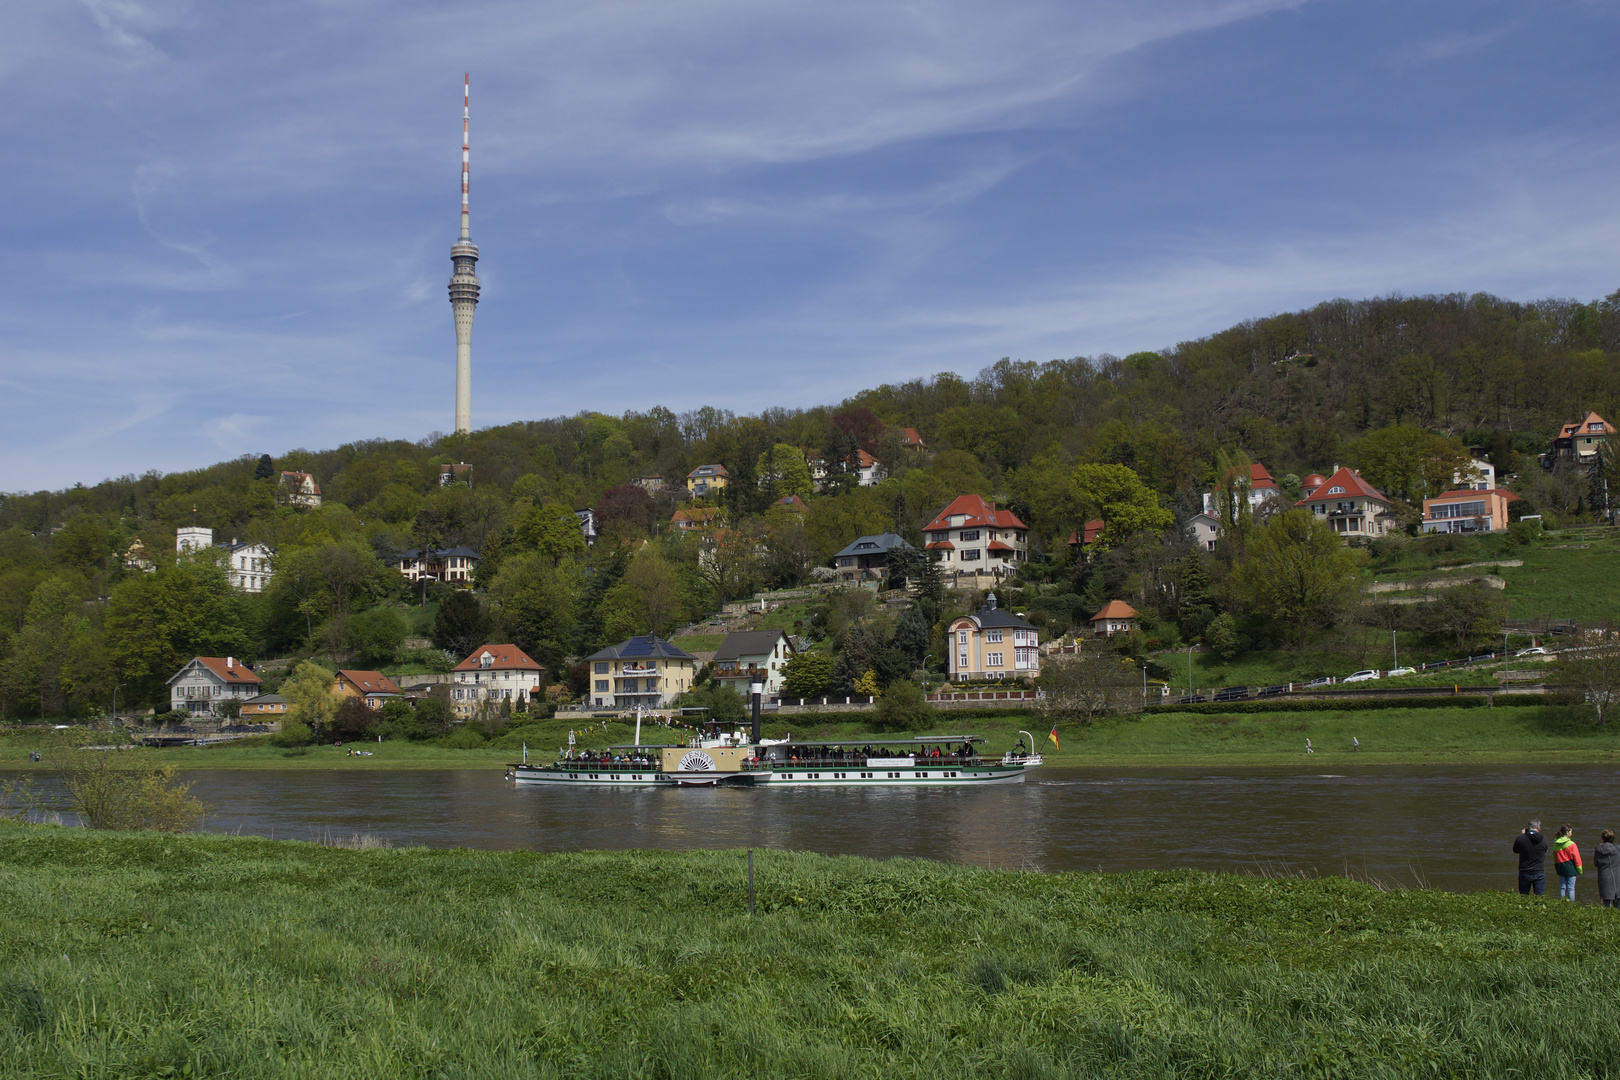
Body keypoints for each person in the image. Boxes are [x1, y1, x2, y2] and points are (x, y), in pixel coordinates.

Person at [1513, 820, 1548, 896]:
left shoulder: (1521, 838)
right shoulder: (1544, 839)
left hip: (1525, 871)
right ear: (1539, 828)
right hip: (1539, 872)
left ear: (1529, 827)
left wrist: (1523, 835)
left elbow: (1515, 850)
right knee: (1539, 898)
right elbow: (1545, 850)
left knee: (1524, 897)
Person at [1553, 825, 1583, 901]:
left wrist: (1556, 866)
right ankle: (1571, 905)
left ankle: (1563, 903)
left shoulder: (1556, 843)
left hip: (1560, 867)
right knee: (1571, 888)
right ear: (1567, 832)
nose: (1571, 834)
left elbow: (1554, 857)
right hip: (1571, 868)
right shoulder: (1572, 844)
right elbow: (1577, 858)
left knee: (1563, 886)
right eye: (1571, 832)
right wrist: (1580, 870)